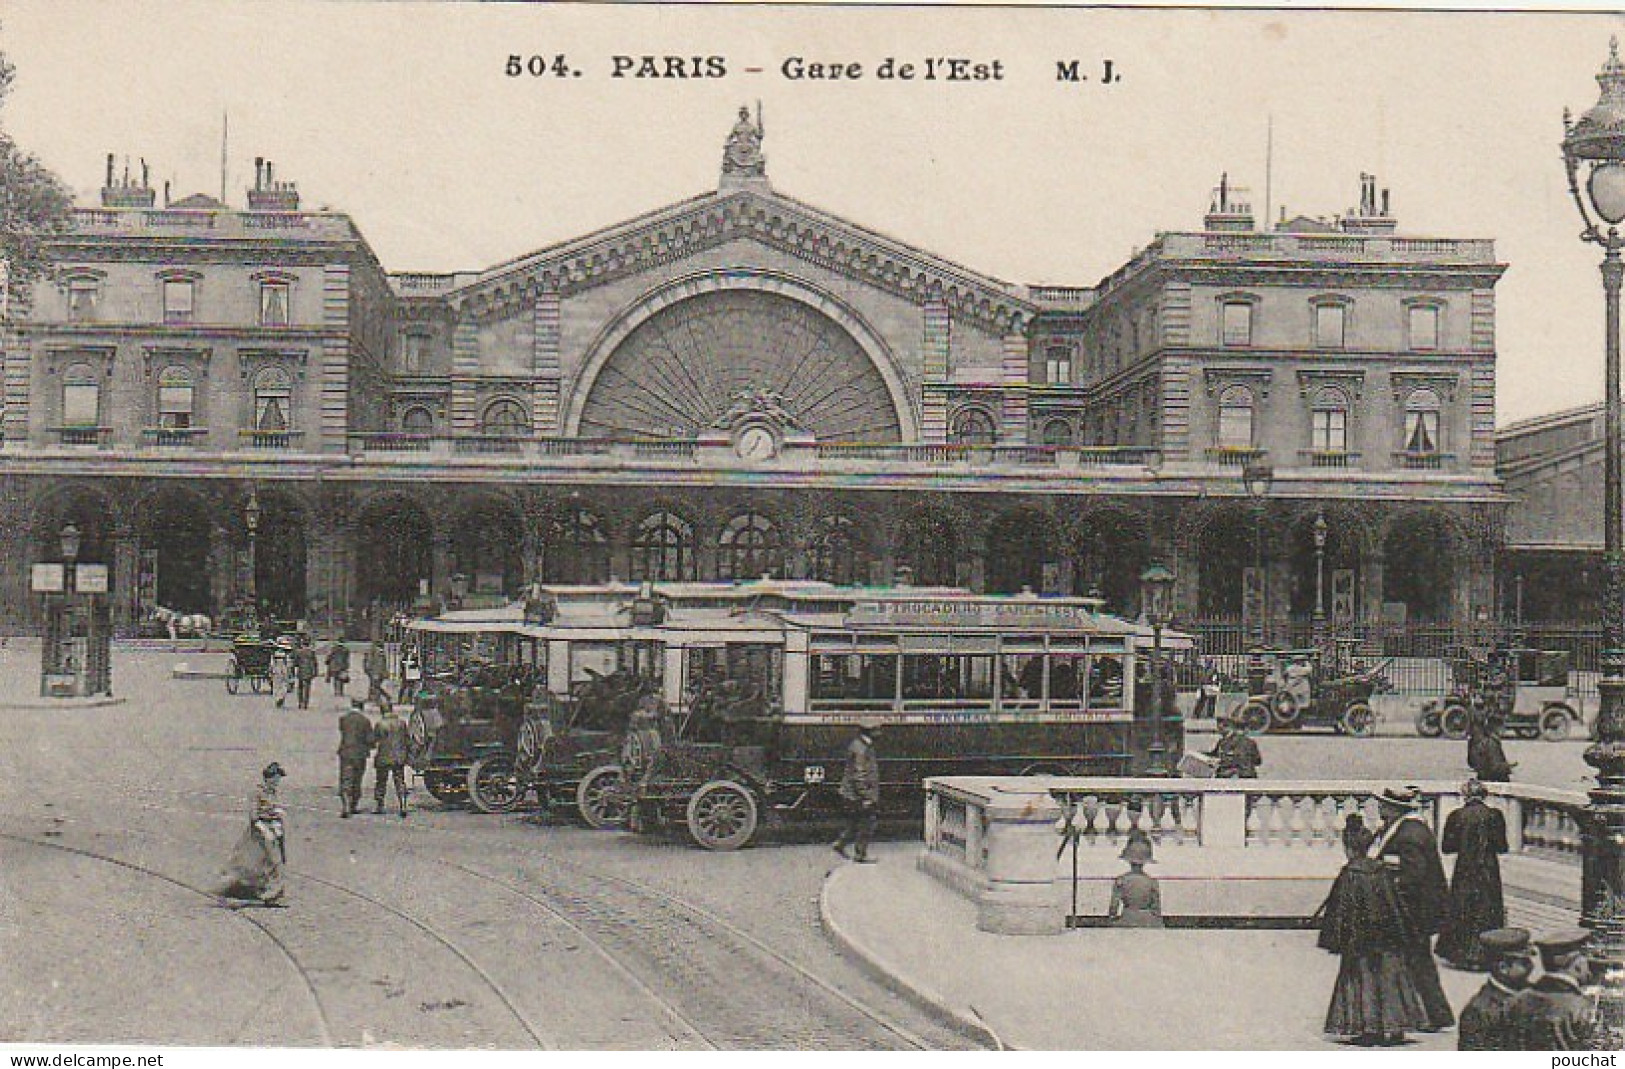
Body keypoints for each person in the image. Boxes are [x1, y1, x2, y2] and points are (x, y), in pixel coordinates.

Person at [1317, 816, 1427, 1046]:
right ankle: (1395, 1026)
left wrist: (1335, 940)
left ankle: (1369, 1028)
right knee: (1391, 978)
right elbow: (1396, 906)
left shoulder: (1350, 874)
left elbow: (1340, 913)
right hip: (1387, 938)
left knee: (1363, 980)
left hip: (1360, 942)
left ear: (1348, 848)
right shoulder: (1382, 871)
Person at [1371, 785, 1455, 1032]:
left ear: (1395, 808)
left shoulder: (1409, 835)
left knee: (1418, 961)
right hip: (1416, 911)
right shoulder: (1408, 829)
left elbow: (1413, 877)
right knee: (1416, 961)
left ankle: (1434, 1014)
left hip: (1413, 912)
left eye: (1383, 805)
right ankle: (1425, 1012)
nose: (1380, 810)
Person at [1436, 779, 1510, 970]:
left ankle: (1462, 953)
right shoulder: (1494, 816)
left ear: (1465, 796)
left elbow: (1447, 847)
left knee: (1463, 908)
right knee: (1488, 908)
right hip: (1488, 869)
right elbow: (1502, 847)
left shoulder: (1456, 816)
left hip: (1465, 869)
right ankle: (1487, 953)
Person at [1505, 928, 1601, 1050]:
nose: (1589, 969)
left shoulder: (1517, 999)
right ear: (1577, 966)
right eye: (1587, 962)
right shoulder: (1582, 1007)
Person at [218, 763, 288, 907]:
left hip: (274, 829)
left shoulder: (273, 793)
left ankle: (272, 894)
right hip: (259, 831)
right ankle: (265, 892)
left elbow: (275, 808)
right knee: (261, 862)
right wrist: (267, 825)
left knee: (275, 861)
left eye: (278, 779)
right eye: (275, 778)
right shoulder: (257, 793)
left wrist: (277, 816)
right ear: (268, 778)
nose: (277, 781)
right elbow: (254, 815)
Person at [1458, 927, 1535, 1050]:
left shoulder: (1536, 994)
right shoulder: (1479, 1011)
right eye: (1524, 963)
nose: (1532, 966)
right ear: (1503, 967)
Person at [832, 721, 881, 863]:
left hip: (851, 793)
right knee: (868, 823)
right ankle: (860, 855)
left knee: (854, 822)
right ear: (869, 732)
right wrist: (866, 796)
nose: (880, 733)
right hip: (857, 794)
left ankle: (840, 843)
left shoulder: (860, 745)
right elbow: (859, 775)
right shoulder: (862, 749)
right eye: (877, 730)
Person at [1108, 831, 1164, 927]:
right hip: (1148, 920)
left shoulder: (1121, 881)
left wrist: (1112, 920)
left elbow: (1113, 908)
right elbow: (1156, 909)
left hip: (1127, 918)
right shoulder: (1152, 882)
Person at [337, 699, 375, 818]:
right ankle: (353, 806)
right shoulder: (365, 721)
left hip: (346, 752)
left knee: (346, 779)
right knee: (357, 780)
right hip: (360, 754)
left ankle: (346, 806)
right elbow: (370, 739)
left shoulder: (343, 719)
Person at [372, 700, 410, 818]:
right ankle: (403, 805)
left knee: (381, 782)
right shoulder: (402, 723)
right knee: (400, 781)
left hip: (384, 756)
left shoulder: (380, 724)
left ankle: (379, 805)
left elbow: (374, 740)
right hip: (399, 756)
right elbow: (407, 739)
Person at [1467, 705, 1515, 783]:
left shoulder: (1474, 740)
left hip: (1481, 777)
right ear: (1497, 727)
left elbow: (1471, 762)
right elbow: (1495, 767)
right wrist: (1508, 767)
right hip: (1493, 780)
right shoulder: (1492, 742)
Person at [1208, 714, 1262, 778]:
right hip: (1248, 776)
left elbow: (1226, 759)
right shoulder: (1251, 742)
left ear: (1232, 728)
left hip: (1229, 776)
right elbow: (1258, 761)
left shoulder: (1225, 742)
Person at [292, 636, 318, 711]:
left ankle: (300, 702)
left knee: (300, 688)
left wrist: (294, 668)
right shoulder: (312, 652)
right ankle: (305, 703)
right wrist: (315, 672)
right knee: (307, 688)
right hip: (309, 671)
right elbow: (315, 663)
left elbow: (295, 662)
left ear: (302, 644)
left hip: (301, 671)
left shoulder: (299, 652)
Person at [270, 636, 293, 709]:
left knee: (277, 686)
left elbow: (272, 663)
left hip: (276, 670)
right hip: (284, 670)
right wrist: (290, 672)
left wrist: (271, 670)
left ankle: (278, 698)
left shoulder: (274, 654)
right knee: (284, 685)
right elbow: (289, 664)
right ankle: (281, 697)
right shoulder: (286, 655)